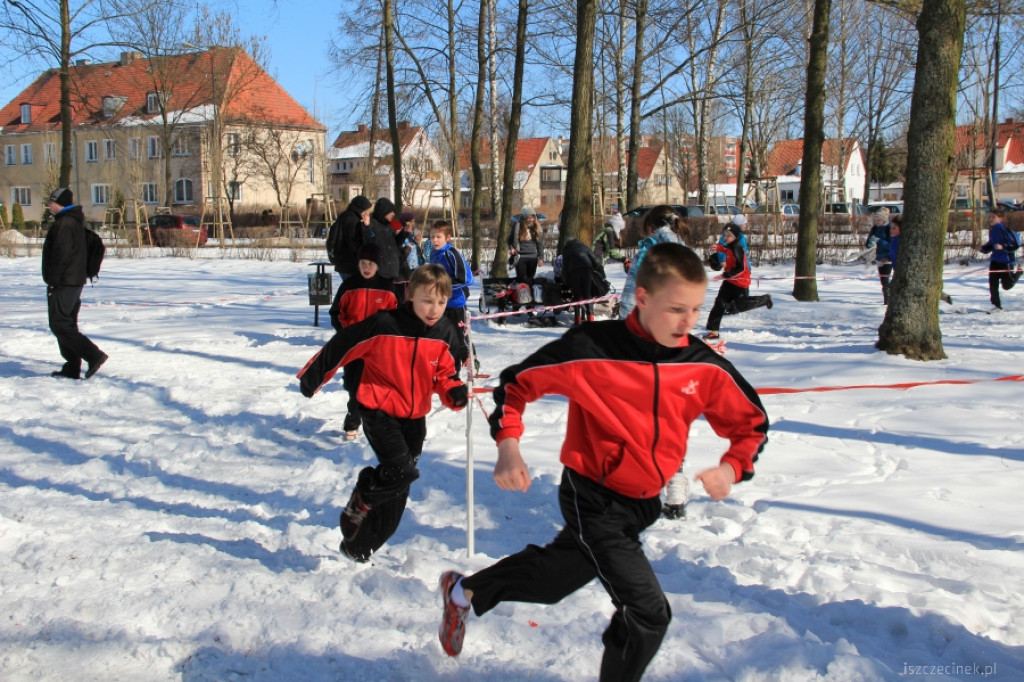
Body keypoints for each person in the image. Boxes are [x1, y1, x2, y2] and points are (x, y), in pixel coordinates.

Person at [437, 243, 769, 680]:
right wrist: (508, 446)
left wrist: (732, 466)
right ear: (644, 298)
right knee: (648, 613)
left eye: (695, 310)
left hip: (643, 502)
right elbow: (516, 385)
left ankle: (463, 592)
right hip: (592, 495)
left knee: (553, 581)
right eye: (676, 309)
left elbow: (753, 423)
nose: (688, 322)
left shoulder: (701, 365)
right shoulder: (593, 348)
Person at [297, 265, 468, 562]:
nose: (434, 309)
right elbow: (343, 344)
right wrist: (314, 376)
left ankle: (359, 546)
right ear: (409, 294)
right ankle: (364, 492)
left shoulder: (445, 332)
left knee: (399, 488)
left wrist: (453, 392)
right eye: (427, 300)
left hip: (415, 417)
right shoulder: (385, 324)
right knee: (402, 471)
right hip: (379, 411)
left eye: (441, 302)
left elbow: (446, 373)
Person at [327, 243, 400, 439]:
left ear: (378, 265)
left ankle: (375, 421)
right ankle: (354, 416)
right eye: (363, 263)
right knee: (354, 385)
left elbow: (396, 315)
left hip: (378, 348)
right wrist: (346, 333)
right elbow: (336, 312)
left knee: (376, 385)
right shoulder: (349, 285)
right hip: (354, 346)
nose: (366, 267)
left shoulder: (387, 287)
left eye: (370, 263)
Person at [42, 187, 108, 380]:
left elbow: (60, 255)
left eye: (50, 202)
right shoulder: (73, 221)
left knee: (59, 324)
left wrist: (54, 281)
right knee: (67, 324)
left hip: (65, 282)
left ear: (58, 203)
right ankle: (72, 367)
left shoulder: (65, 224)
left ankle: (93, 355)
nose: (48, 205)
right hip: (72, 280)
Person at [702, 223, 773, 340]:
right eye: (725, 235)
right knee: (720, 303)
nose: (725, 238)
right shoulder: (731, 245)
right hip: (729, 282)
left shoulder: (737, 247)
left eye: (728, 236)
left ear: (734, 237)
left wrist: (725, 275)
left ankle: (765, 299)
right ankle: (714, 332)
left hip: (740, 283)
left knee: (740, 306)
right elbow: (727, 251)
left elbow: (740, 267)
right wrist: (719, 248)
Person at [618, 205, 686, 318]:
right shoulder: (685, 254)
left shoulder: (648, 255)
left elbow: (632, 295)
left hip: (647, 324)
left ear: (651, 229)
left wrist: (625, 325)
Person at [429, 220, 474, 369]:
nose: (434, 240)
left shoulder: (451, 253)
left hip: (455, 303)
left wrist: (444, 288)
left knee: (460, 337)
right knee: (443, 337)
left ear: (447, 237)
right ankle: (450, 367)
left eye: (438, 237)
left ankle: (470, 364)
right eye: (432, 236)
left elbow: (467, 279)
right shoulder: (434, 254)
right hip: (440, 305)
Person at [980, 207, 1022, 311]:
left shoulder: (1005, 230)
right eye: (990, 217)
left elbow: (1016, 245)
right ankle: (996, 305)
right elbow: (991, 244)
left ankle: (1019, 272)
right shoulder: (992, 231)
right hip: (995, 261)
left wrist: (1003, 247)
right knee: (993, 285)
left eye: (993, 217)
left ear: (1001, 218)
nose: (990, 219)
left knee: (1007, 286)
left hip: (1006, 261)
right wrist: (983, 249)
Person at [326, 196, 373, 282]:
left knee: (349, 289)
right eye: (367, 210)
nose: (368, 213)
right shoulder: (352, 220)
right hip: (350, 264)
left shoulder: (345, 216)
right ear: (361, 208)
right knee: (352, 291)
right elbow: (355, 243)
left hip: (343, 263)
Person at [560, 237, 605, 325]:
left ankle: (577, 320)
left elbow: (565, 267)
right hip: (587, 269)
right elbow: (595, 259)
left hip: (574, 271)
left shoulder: (566, 250)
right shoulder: (583, 246)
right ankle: (591, 319)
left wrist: (567, 280)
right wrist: (599, 272)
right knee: (588, 294)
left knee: (576, 295)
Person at [367, 198, 403, 281]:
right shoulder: (372, 225)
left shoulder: (388, 226)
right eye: (391, 211)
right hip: (380, 271)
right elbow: (370, 243)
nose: (393, 214)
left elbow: (394, 244)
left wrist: (404, 233)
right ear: (384, 211)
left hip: (391, 270)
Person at [508, 206, 544, 281]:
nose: (531, 219)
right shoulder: (518, 226)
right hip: (521, 257)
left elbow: (540, 244)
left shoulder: (537, 228)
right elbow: (510, 240)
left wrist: (541, 258)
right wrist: (511, 248)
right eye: (529, 217)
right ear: (524, 217)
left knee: (530, 280)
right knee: (522, 280)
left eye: (533, 217)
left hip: (533, 258)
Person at [865, 207, 892, 304]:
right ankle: (887, 299)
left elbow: (892, 244)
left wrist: (880, 241)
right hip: (879, 257)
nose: (877, 221)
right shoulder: (875, 228)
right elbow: (868, 242)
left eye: (879, 218)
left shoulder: (890, 227)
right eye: (876, 219)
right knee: (883, 279)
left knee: (886, 279)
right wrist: (870, 244)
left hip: (889, 258)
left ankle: (888, 301)